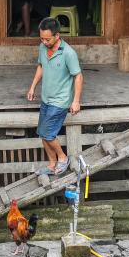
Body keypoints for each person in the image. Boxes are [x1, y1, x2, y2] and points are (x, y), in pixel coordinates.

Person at [26, 17, 83, 175]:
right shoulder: (43, 48)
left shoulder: (68, 53)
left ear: (57, 35)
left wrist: (76, 101)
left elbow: (78, 76)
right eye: (42, 38)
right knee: (42, 133)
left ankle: (63, 158)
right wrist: (32, 87)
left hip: (60, 101)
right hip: (46, 98)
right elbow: (41, 67)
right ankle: (52, 164)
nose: (44, 42)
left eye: (47, 39)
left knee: (48, 134)